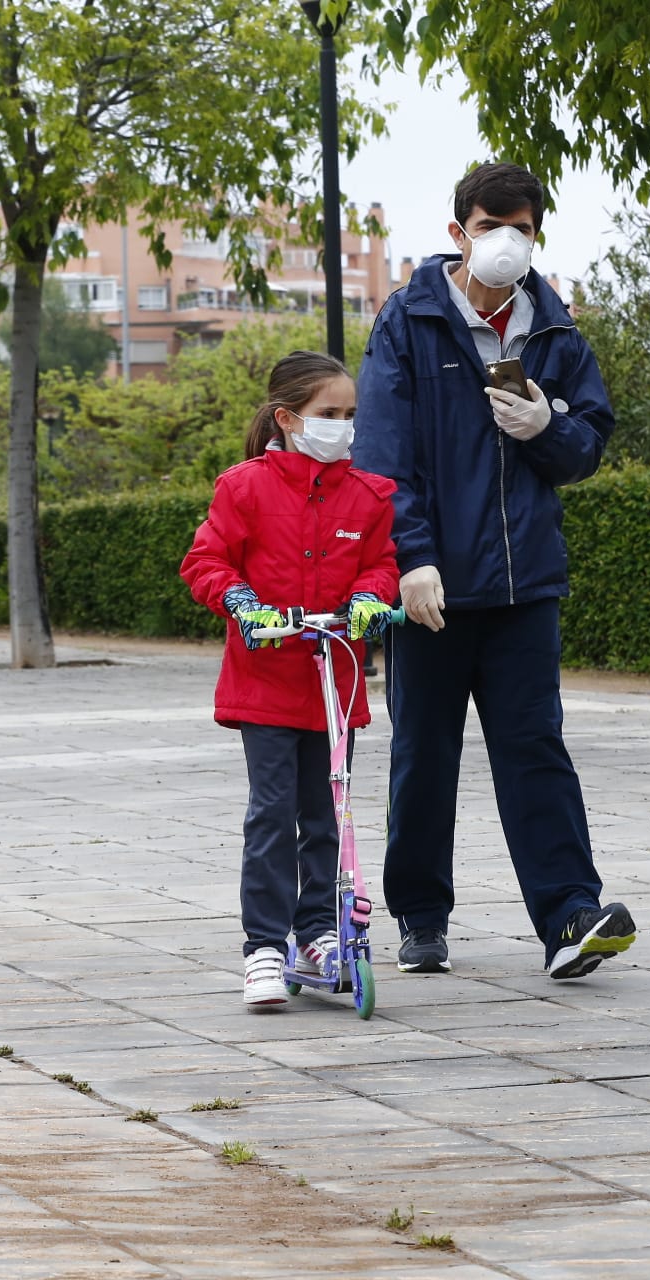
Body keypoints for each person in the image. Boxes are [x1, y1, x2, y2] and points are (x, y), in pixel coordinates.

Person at [352, 161, 635, 981]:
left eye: (521, 229)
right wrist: (413, 560)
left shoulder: (554, 328)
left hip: (524, 587)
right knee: (425, 755)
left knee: (535, 750)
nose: (505, 243)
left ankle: (571, 916)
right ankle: (422, 915)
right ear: (458, 233)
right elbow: (382, 458)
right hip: (434, 588)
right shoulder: (409, 320)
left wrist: (548, 425)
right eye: (489, 227)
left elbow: (586, 445)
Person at [180, 351, 400, 1008]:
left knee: (329, 812)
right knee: (273, 814)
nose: (342, 426)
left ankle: (317, 932)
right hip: (266, 682)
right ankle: (264, 947)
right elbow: (206, 561)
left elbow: (379, 564)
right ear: (288, 418)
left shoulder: (369, 494)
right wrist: (243, 604)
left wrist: (369, 597)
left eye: (350, 415)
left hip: (336, 682)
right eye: (328, 414)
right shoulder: (244, 488)